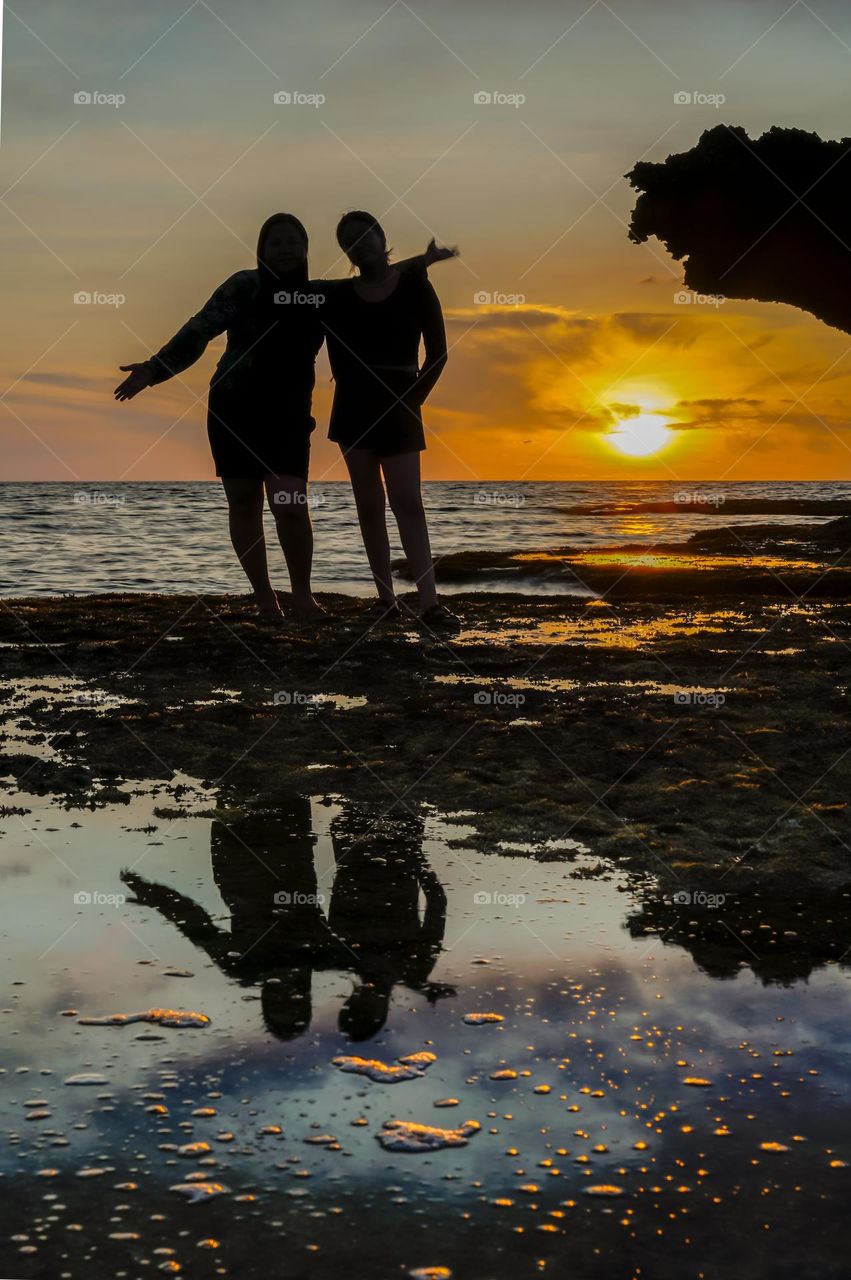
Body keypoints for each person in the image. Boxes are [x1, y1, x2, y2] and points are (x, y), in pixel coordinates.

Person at [114, 214, 454, 624]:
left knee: (290, 504)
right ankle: (265, 601)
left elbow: (377, 275)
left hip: (289, 414)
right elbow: (199, 329)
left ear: (307, 250)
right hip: (233, 407)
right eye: (275, 242)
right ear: (261, 249)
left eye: (293, 241)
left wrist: (424, 261)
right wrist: (154, 369)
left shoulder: (317, 296)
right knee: (243, 503)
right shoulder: (244, 286)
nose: (284, 249)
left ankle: (303, 598)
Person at [324, 210, 459, 632]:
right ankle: (385, 600)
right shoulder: (337, 295)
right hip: (352, 407)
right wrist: (422, 258)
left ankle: (429, 604)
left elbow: (438, 354)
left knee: (408, 504)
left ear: (381, 237)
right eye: (349, 240)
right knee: (369, 506)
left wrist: (413, 401)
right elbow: (289, 293)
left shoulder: (415, 285)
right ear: (344, 250)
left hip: (400, 404)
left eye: (365, 234)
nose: (358, 243)